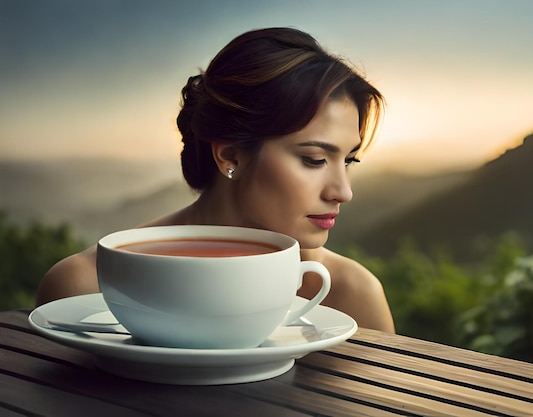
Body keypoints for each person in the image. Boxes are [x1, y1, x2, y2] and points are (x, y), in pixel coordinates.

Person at [36, 27, 395, 333]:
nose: (343, 191)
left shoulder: (349, 293)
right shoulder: (84, 287)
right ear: (229, 155)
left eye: (348, 160)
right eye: (314, 159)